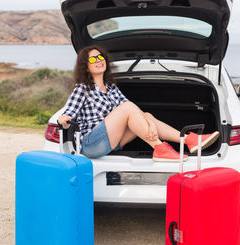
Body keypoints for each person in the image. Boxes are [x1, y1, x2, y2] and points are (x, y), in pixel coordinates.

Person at [58, 46, 219, 162]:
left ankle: (188, 140)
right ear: (85, 66)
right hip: (91, 144)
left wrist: (149, 123)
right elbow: (69, 112)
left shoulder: (112, 88)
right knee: (127, 108)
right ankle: (160, 148)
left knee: (146, 115)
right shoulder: (82, 89)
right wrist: (64, 120)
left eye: (101, 57)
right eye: (93, 59)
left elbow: (132, 109)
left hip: (113, 142)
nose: (98, 61)